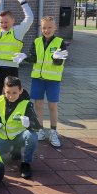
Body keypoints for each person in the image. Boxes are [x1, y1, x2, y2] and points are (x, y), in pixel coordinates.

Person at [0, 0, 33, 113]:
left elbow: (29, 19)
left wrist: (23, 2)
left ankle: (11, 117)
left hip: (11, 68)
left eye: (6, 22)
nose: (3, 24)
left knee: (12, 95)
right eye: (1, 22)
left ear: (13, 21)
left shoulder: (17, 31)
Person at [0, 76, 40, 179]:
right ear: (4, 90)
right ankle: (14, 151)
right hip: (3, 138)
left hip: (19, 138)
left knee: (32, 136)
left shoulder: (26, 104)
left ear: (20, 90)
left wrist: (28, 123)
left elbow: (37, 126)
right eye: (8, 92)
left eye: (14, 93)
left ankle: (26, 164)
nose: (11, 96)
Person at [29, 16, 68, 147]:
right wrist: (26, 57)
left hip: (53, 80)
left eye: (49, 27)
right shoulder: (36, 41)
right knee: (38, 105)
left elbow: (60, 62)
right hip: (37, 79)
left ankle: (53, 132)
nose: (46, 30)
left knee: (52, 106)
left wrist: (55, 58)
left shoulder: (61, 42)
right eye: (44, 27)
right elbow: (32, 57)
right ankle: (40, 129)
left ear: (55, 28)